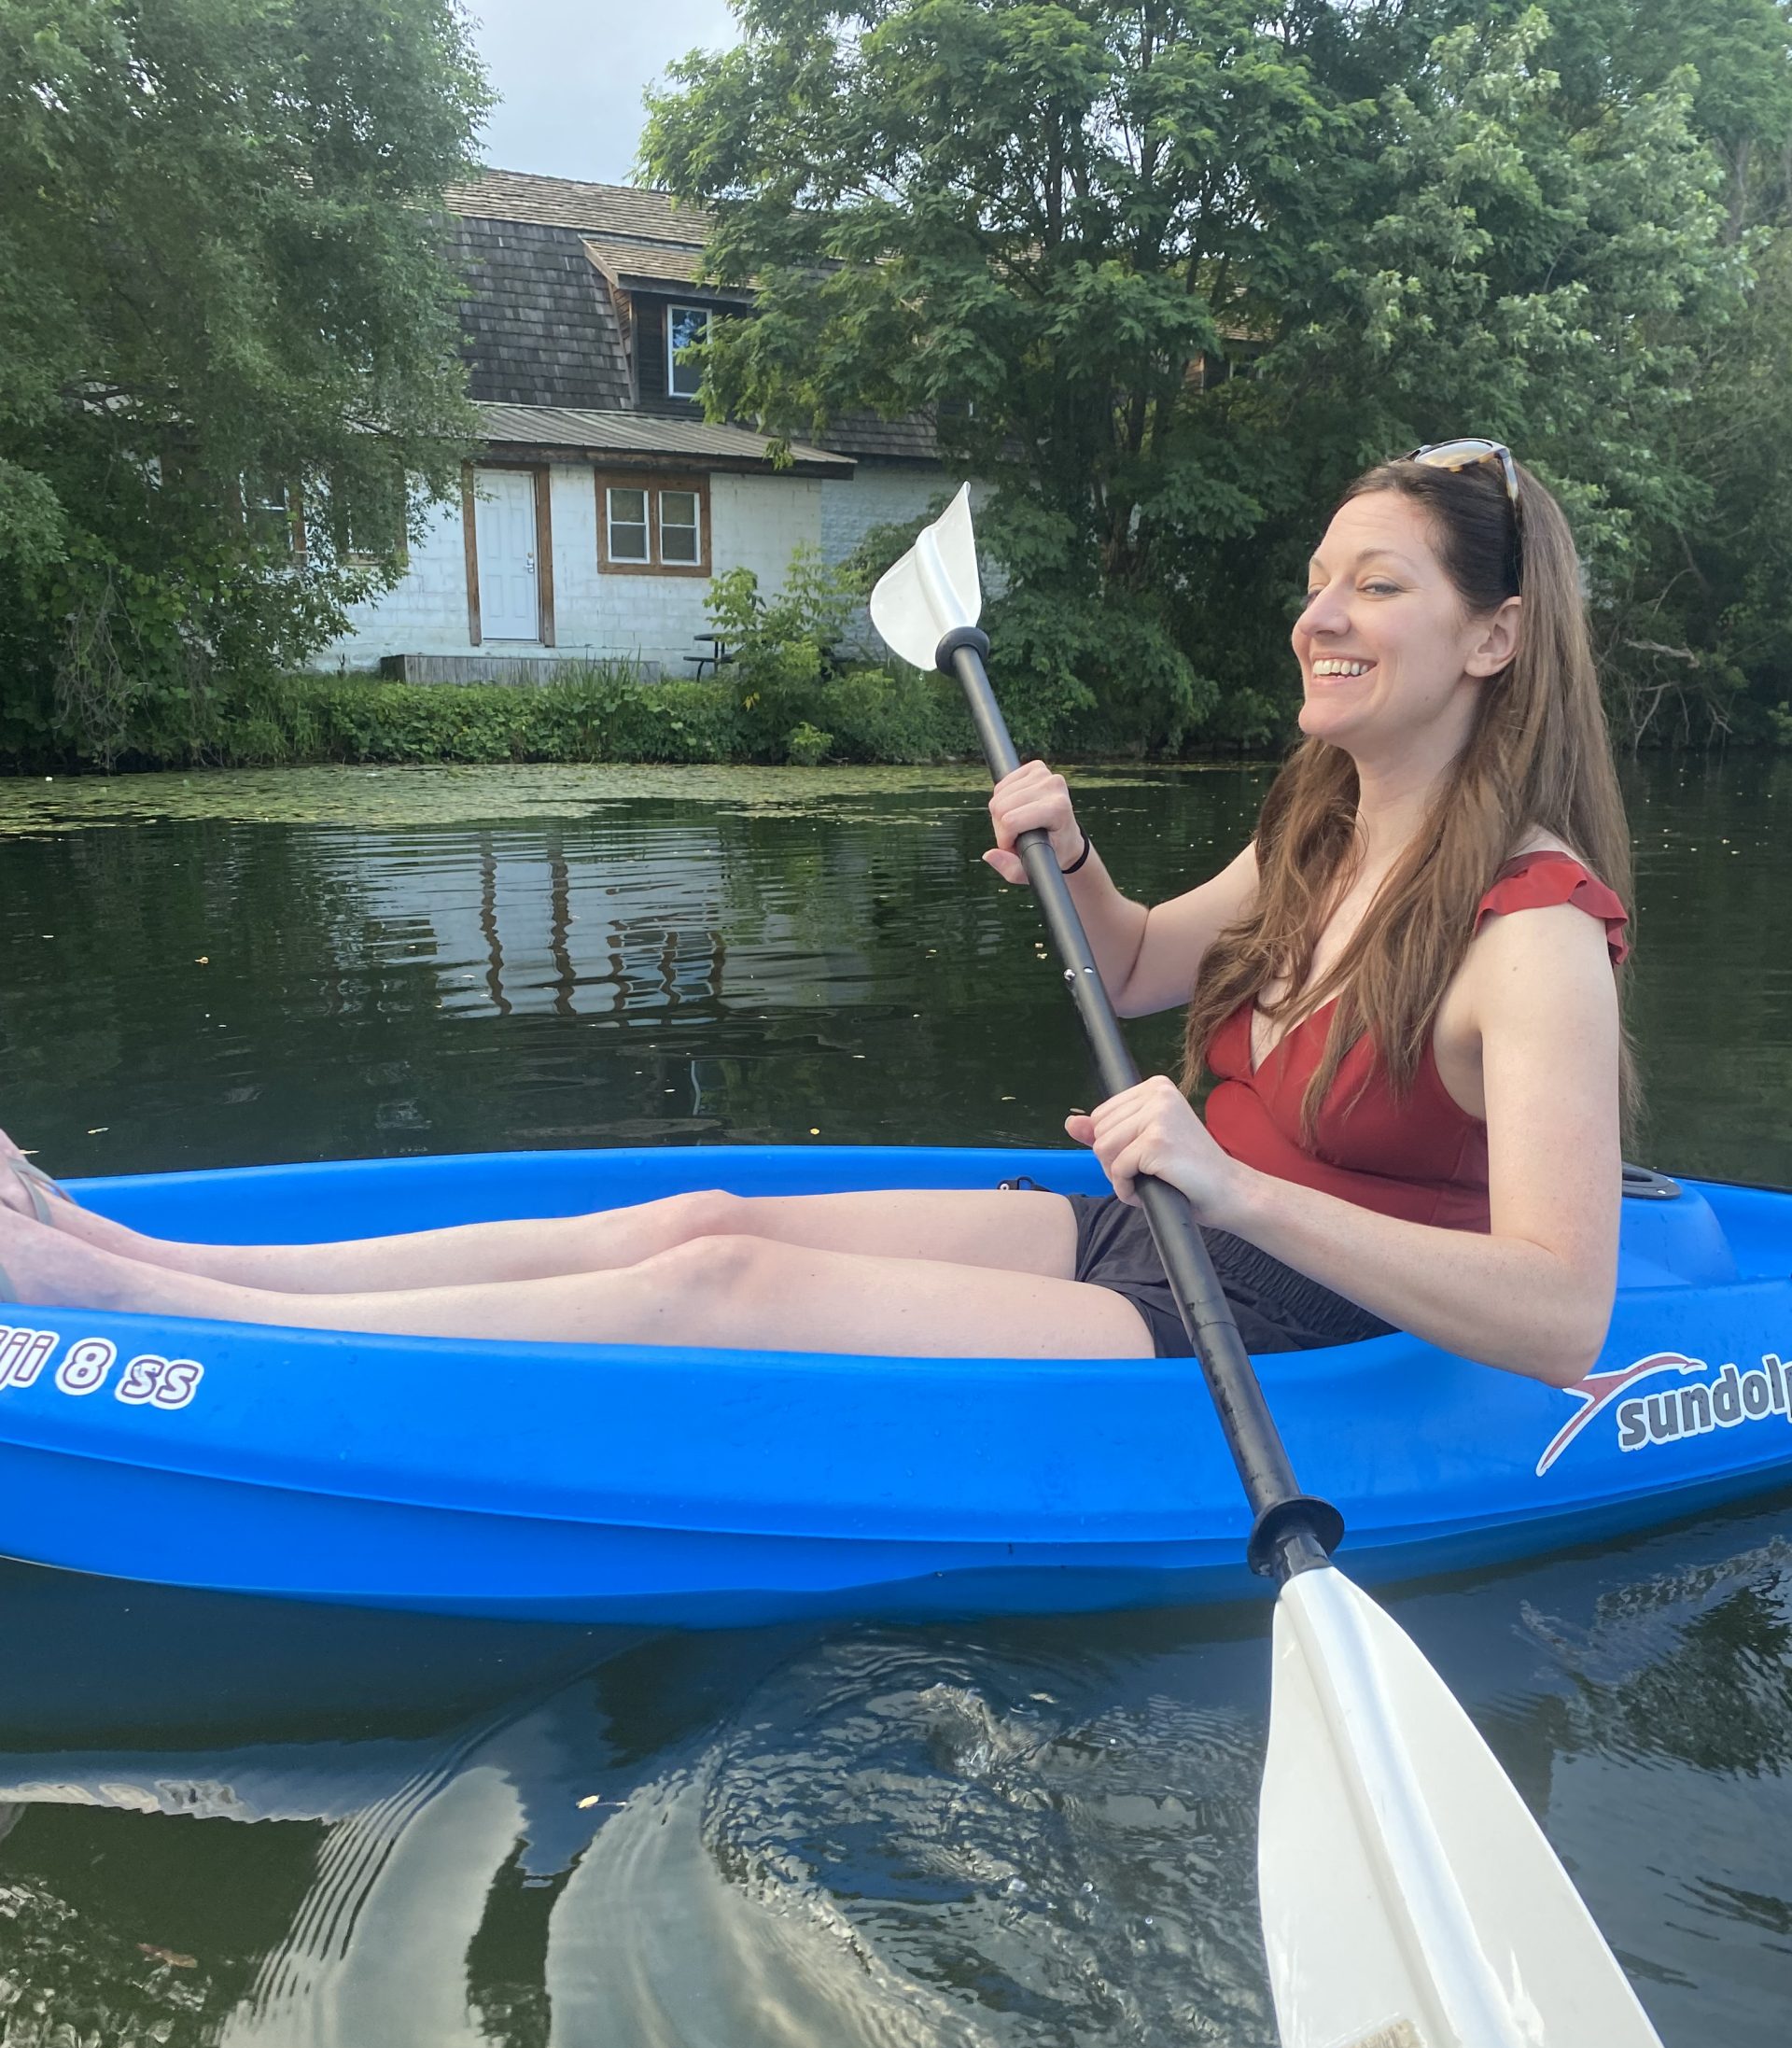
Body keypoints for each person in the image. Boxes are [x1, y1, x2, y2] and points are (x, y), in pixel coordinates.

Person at [0, 442, 1629, 1384]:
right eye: (1320, 580)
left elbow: (1561, 1318)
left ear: (1492, 640)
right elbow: (1132, 970)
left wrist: (1231, 1188)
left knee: (729, 1300)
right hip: (1167, 1228)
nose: (1318, 615)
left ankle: (146, 1317)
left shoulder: (1533, 937)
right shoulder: (1323, 836)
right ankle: (142, 1246)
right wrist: (1074, 873)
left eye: (1378, 586)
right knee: (705, 1221)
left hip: (1296, 1321)